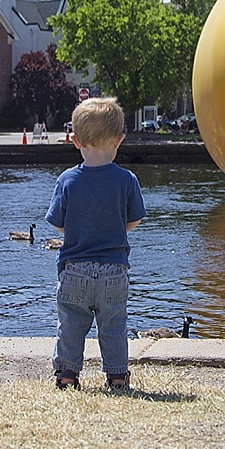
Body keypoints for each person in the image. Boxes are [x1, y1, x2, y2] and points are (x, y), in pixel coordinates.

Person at [47, 96, 145, 392]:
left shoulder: (67, 180)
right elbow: (134, 221)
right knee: (114, 324)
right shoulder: (127, 179)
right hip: (114, 269)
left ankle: (66, 374)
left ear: (75, 140)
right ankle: (116, 376)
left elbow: (58, 223)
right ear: (119, 139)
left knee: (72, 324)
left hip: (74, 267)